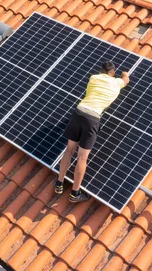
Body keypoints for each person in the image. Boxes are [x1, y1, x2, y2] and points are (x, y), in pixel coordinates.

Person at [55, 61, 130, 203]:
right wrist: (124, 75)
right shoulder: (116, 83)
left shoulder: (93, 78)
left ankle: (59, 183)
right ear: (112, 72)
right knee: (82, 158)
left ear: (101, 70)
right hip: (93, 117)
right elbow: (126, 80)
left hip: (79, 111)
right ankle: (75, 193)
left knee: (69, 150)